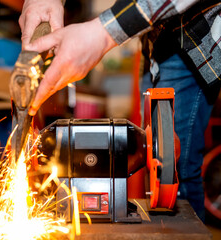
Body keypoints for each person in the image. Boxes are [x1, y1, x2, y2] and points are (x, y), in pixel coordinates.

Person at [19, 0, 221, 222]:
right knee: (158, 170)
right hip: (154, 36)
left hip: (192, 35)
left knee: (177, 172)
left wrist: (102, 33)